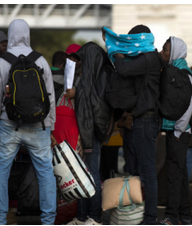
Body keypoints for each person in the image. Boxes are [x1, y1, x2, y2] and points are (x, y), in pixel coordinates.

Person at [0, 19, 57, 225]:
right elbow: (50, 97)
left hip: (9, 124)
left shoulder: (0, 62)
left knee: (1, 170)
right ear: (28, 35)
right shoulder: (41, 61)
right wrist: (50, 126)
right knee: (45, 171)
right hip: (39, 125)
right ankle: (48, 220)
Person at [106, 24, 162, 225]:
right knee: (141, 169)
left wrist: (118, 53)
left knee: (147, 171)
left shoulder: (148, 58)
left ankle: (150, 218)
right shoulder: (148, 57)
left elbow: (123, 69)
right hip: (143, 118)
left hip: (146, 120)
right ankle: (145, 216)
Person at [67, 42, 114, 225]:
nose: (79, 63)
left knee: (90, 172)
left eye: (82, 59)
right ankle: (83, 215)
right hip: (90, 130)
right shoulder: (101, 75)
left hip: (91, 130)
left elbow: (94, 104)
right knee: (85, 172)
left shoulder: (93, 78)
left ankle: (93, 216)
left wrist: (77, 94)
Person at [158, 37, 192, 225]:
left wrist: (179, 131)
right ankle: (185, 215)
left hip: (179, 132)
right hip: (177, 131)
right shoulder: (177, 71)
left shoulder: (182, 74)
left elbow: (189, 105)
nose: (162, 52)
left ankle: (172, 216)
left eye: (165, 50)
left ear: (174, 52)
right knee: (180, 175)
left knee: (174, 174)